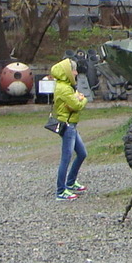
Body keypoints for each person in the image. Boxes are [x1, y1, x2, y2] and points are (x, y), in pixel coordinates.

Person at [49, 57, 88, 200]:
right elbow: (77, 105)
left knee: (82, 153)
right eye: (74, 70)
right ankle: (61, 190)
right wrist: (83, 99)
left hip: (72, 124)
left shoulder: (66, 86)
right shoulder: (64, 89)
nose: (76, 73)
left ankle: (70, 182)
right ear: (67, 72)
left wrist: (77, 98)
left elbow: (74, 102)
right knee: (66, 157)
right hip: (67, 126)